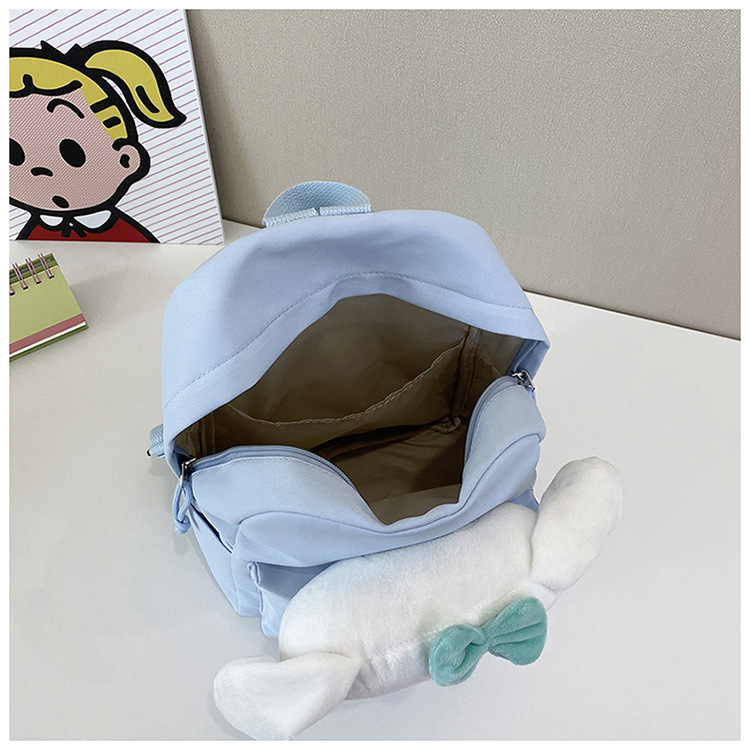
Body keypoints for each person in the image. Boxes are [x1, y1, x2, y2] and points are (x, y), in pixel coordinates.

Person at [10, 40, 186, 242]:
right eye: (12, 154)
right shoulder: (31, 237)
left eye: (72, 153)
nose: (40, 169)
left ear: (126, 159)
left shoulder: (131, 237)